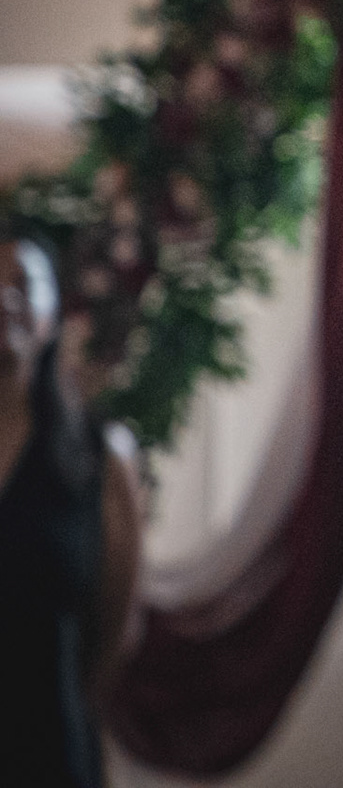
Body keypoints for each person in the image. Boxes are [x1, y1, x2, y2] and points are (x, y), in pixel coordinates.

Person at [0, 238, 143, 788]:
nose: (5, 298)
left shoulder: (99, 459)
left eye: (24, 284)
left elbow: (115, 630)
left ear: (52, 316)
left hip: (51, 753)